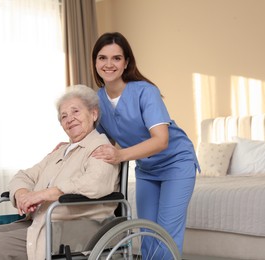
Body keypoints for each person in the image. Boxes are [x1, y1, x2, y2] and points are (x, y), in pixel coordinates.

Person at [0, 85, 120, 260]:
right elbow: (24, 175)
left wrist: (42, 195)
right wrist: (23, 195)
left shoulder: (101, 147)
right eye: (64, 116)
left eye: (75, 111)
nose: (70, 119)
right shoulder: (60, 151)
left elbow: (94, 183)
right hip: (41, 221)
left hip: (74, 228)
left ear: (93, 114)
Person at [90, 32, 199, 258]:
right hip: (147, 169)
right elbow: (97, 140)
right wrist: (67, 146)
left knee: (166, 233)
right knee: (147, 233)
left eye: (116, 58)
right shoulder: (97, 100)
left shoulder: (145, 91)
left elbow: (161, 139)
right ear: (95, 62)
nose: (109, 64)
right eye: (102, 58)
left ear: (126, 62)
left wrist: (120, 155)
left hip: (176, 164)